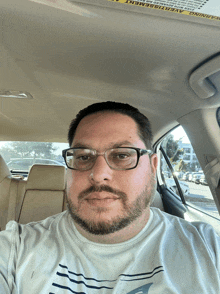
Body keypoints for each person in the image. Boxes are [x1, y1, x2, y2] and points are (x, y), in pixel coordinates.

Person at [0, 101, 219, 294]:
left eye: (122, 155)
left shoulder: (209, 249)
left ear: (153, 167)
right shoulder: (15, 248)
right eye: (84, 156)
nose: (98, 174)